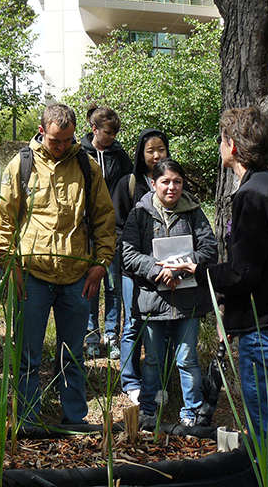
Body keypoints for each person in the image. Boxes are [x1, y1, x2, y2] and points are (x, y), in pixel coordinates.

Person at [166, 107, 268, 469]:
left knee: (266, 423)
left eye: (221, 139)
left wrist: (197, 271)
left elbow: (242, 274)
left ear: (232, 146)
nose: (220, 146)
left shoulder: (254, 193)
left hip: (267, 325)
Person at [0, 104, 116, 425]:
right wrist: (9, 265)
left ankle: (74, 418)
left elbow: (104, 217)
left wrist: (101, 263)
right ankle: (29, 420)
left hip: (77, 277)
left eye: (67, 139)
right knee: (27, 356)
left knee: (73, 356)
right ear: (41, 130)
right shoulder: (21, 165)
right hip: (31, 276)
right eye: (55, 140)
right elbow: (3, 220)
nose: (61, 146)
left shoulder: (87, 166)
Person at [122, 158, 217, 426]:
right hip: (153, 299)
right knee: (152, 359)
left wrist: (178, 270)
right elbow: (128, 253)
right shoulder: (139, 213)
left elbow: (209, 249)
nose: (171, 187)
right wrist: (155, 270)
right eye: (165, 182)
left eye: (177, 181)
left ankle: (192, 414)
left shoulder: (194, 212)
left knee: (187, 358)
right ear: (153, 184)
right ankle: (148, 410)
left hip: (188, 300)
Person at [114, 128, 170, 404]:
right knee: (133, 323)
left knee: (163, 324)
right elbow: (117, 225)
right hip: (133, 269)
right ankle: (130, 380)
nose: (156, 155)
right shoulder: (130, 183)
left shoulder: (173, 180)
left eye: (161, 149)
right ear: (141, 153)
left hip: (168, 269)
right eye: (151, 150)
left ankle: (158, 380)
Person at [81, 106, 132, 360]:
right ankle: (91, 335)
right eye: (108, 132)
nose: (112, 137)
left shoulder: (119, 155)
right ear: (95, 129)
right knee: (91, 284)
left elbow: (129, 188)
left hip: (113, 228)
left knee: (114, 285)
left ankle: (112, 335)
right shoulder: (80, 152)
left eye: (115, 133)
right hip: (85, 228)